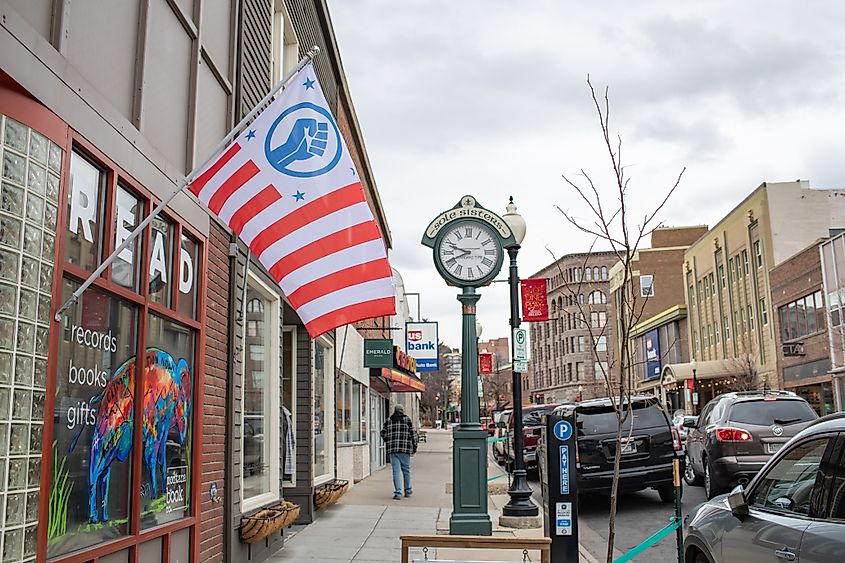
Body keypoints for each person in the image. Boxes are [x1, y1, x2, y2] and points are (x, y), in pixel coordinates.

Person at [380, 404, 418, 500]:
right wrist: (414, 447)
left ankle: (398, 492)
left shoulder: (389, 420)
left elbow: (383, 433)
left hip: (393, 449)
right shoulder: (407, 420)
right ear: (402, 410)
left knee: (396, 471)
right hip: (405, 449)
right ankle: (408, 490)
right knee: (406, 470)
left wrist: (388, 441)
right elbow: (413, 434)